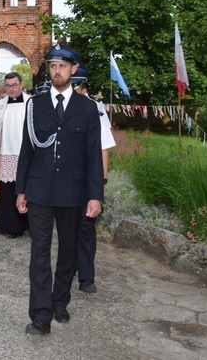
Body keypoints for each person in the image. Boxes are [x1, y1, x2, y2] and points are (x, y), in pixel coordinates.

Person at [15, 45, 103, 335]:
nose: (57, 71)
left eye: (63, 66)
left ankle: (59, 301)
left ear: (73, 70)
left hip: (73, 192)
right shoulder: (35, 105)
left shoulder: (88, 108)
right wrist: (21, 189)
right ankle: (40, 315)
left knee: (67, 251)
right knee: (39, 252)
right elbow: (26, 150)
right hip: (40, 190)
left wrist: (95, 195)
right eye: (53, 66)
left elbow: (93, 155)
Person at [71, 68, 116, 294]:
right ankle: (68, 270)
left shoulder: (95, 109)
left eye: (76, 87)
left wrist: (102, 183)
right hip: (66, 180)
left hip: (88, 180)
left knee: (86, 228)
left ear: (84, 88)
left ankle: (86, 277)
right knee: (68, 228)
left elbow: (103, 148)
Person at [0, 72, 30, 238]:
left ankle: (32, 225)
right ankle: (14, 227)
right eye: (8, 85)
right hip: (6, 153)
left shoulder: (31, 104)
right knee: (10, 192)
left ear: (21, 85)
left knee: (29, 190)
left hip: (27, 154)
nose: (11, 89)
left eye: (14, 85)